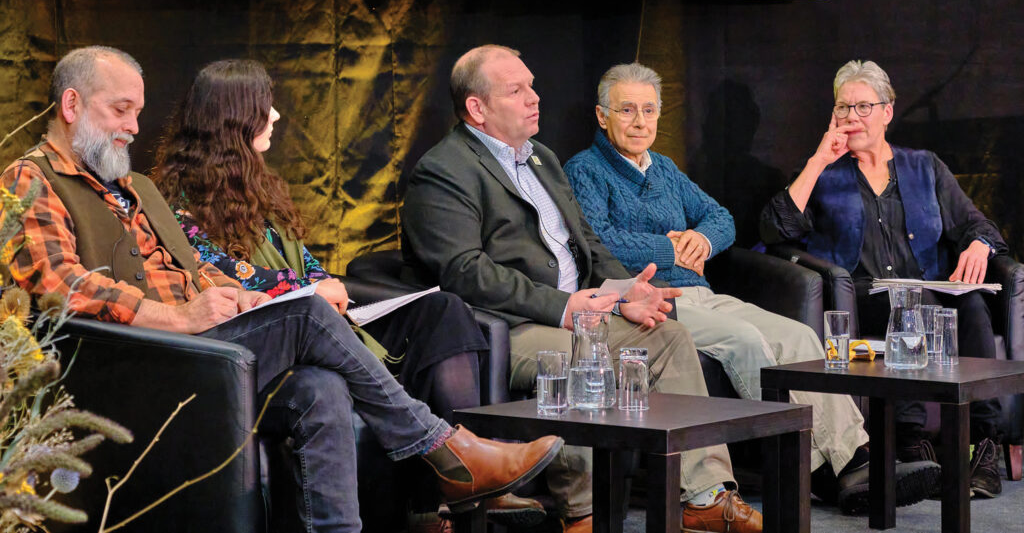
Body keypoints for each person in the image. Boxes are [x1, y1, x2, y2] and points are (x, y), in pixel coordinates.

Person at [0, 45, 563, 533]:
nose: (133, 127)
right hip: (139, 363)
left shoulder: (134, 186)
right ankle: (446, 450)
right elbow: (61, 285)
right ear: (71, 105)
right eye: (120, 110)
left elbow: (195, 272)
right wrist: (178, 317)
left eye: (138, 112)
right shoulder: (29, 179)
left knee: (320, 387)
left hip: (204, 348)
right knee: (308, 318)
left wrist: (239, 295)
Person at [150, 58, 542, 528]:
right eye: (266, 108)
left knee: (441, 311)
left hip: (319, 316)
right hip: (273, 336)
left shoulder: (259, 186)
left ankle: (468, 478)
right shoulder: (173, 204)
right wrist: (310, 287)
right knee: (321, 342)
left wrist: (321, 281)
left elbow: (301, 258)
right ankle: (451, 457)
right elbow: (223, 277)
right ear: (234, 120)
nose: (276, 116)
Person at [402, 44, 761, 533]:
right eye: (517, 90)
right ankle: (585, 514)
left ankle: (703, 496)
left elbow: (586, 243)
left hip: (583, 310)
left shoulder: (543, 160)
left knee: (668, 336)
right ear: (476, 108)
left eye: (532, 85)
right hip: (512, 324)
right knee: (586, 354)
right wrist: (564, 306)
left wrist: (628, 289)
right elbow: (465, 271)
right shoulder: (444, 170)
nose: (535, 97)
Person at [563, 62, 941, 514]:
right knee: (746, 342)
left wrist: (701, 239)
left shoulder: (662, 168)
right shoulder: (584, 170)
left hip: (701, 292)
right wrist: (667, 249)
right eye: (627, 110)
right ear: (603, 116)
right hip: (649, 300)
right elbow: (596, 243)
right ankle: (823, 472)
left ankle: (858, 457)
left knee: (800, 338)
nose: (641, 121)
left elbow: (720, 217)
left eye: (649, 110)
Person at [760, 59, 1006, 499]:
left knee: (971, 305)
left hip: (930, 288)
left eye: (862, 107)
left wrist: (979, 245)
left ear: (887, 112)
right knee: (904, 306)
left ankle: (983, 446)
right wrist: (818, 161)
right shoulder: (824, 173)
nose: (851, 117)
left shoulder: (924, 167)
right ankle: (910, 443)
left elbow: (978, 224)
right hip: (863, 295)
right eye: (842, 108)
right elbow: (775, 230)